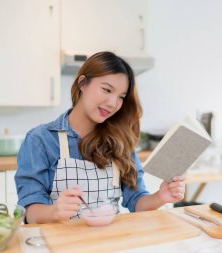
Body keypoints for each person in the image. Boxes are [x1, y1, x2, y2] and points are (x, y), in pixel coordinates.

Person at [15, 52, 186, 224]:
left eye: (121, 97)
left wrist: (161, 196)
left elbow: (137, 202)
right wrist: (55, 212)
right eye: (107, 90)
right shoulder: (41, 140)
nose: (113, 103)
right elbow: (30, 212)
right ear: (82, 83)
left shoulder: (120, 142)